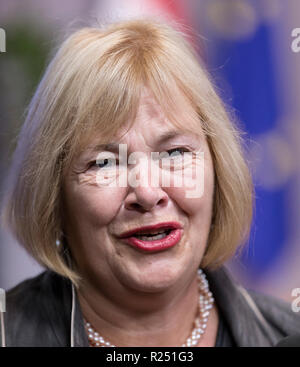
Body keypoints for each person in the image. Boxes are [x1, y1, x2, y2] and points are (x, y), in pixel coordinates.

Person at [1, 18, 299, 347]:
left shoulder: (285, 335)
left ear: (218, 168)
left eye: (174, 153)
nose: (147, 192)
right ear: (53, 196)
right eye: (105, 162)